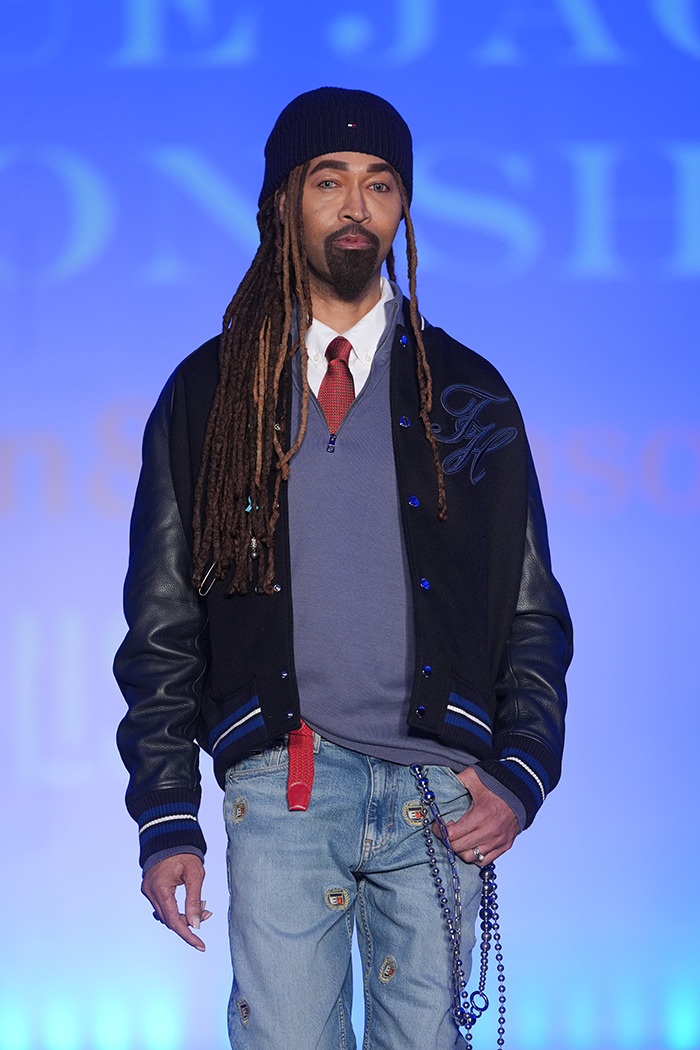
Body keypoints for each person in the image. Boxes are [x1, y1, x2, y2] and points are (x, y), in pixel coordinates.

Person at [115, 86, 572, 1050]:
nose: (356, 206)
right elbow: (161, 621)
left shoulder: (470, 393)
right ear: (284, 202)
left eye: (380, 183)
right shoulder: (210, 393)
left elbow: (531, 608)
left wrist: (522, 771)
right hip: (283, 783)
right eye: (329, 181)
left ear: (402, 208)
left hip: (439, 797)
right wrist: (167, 814)